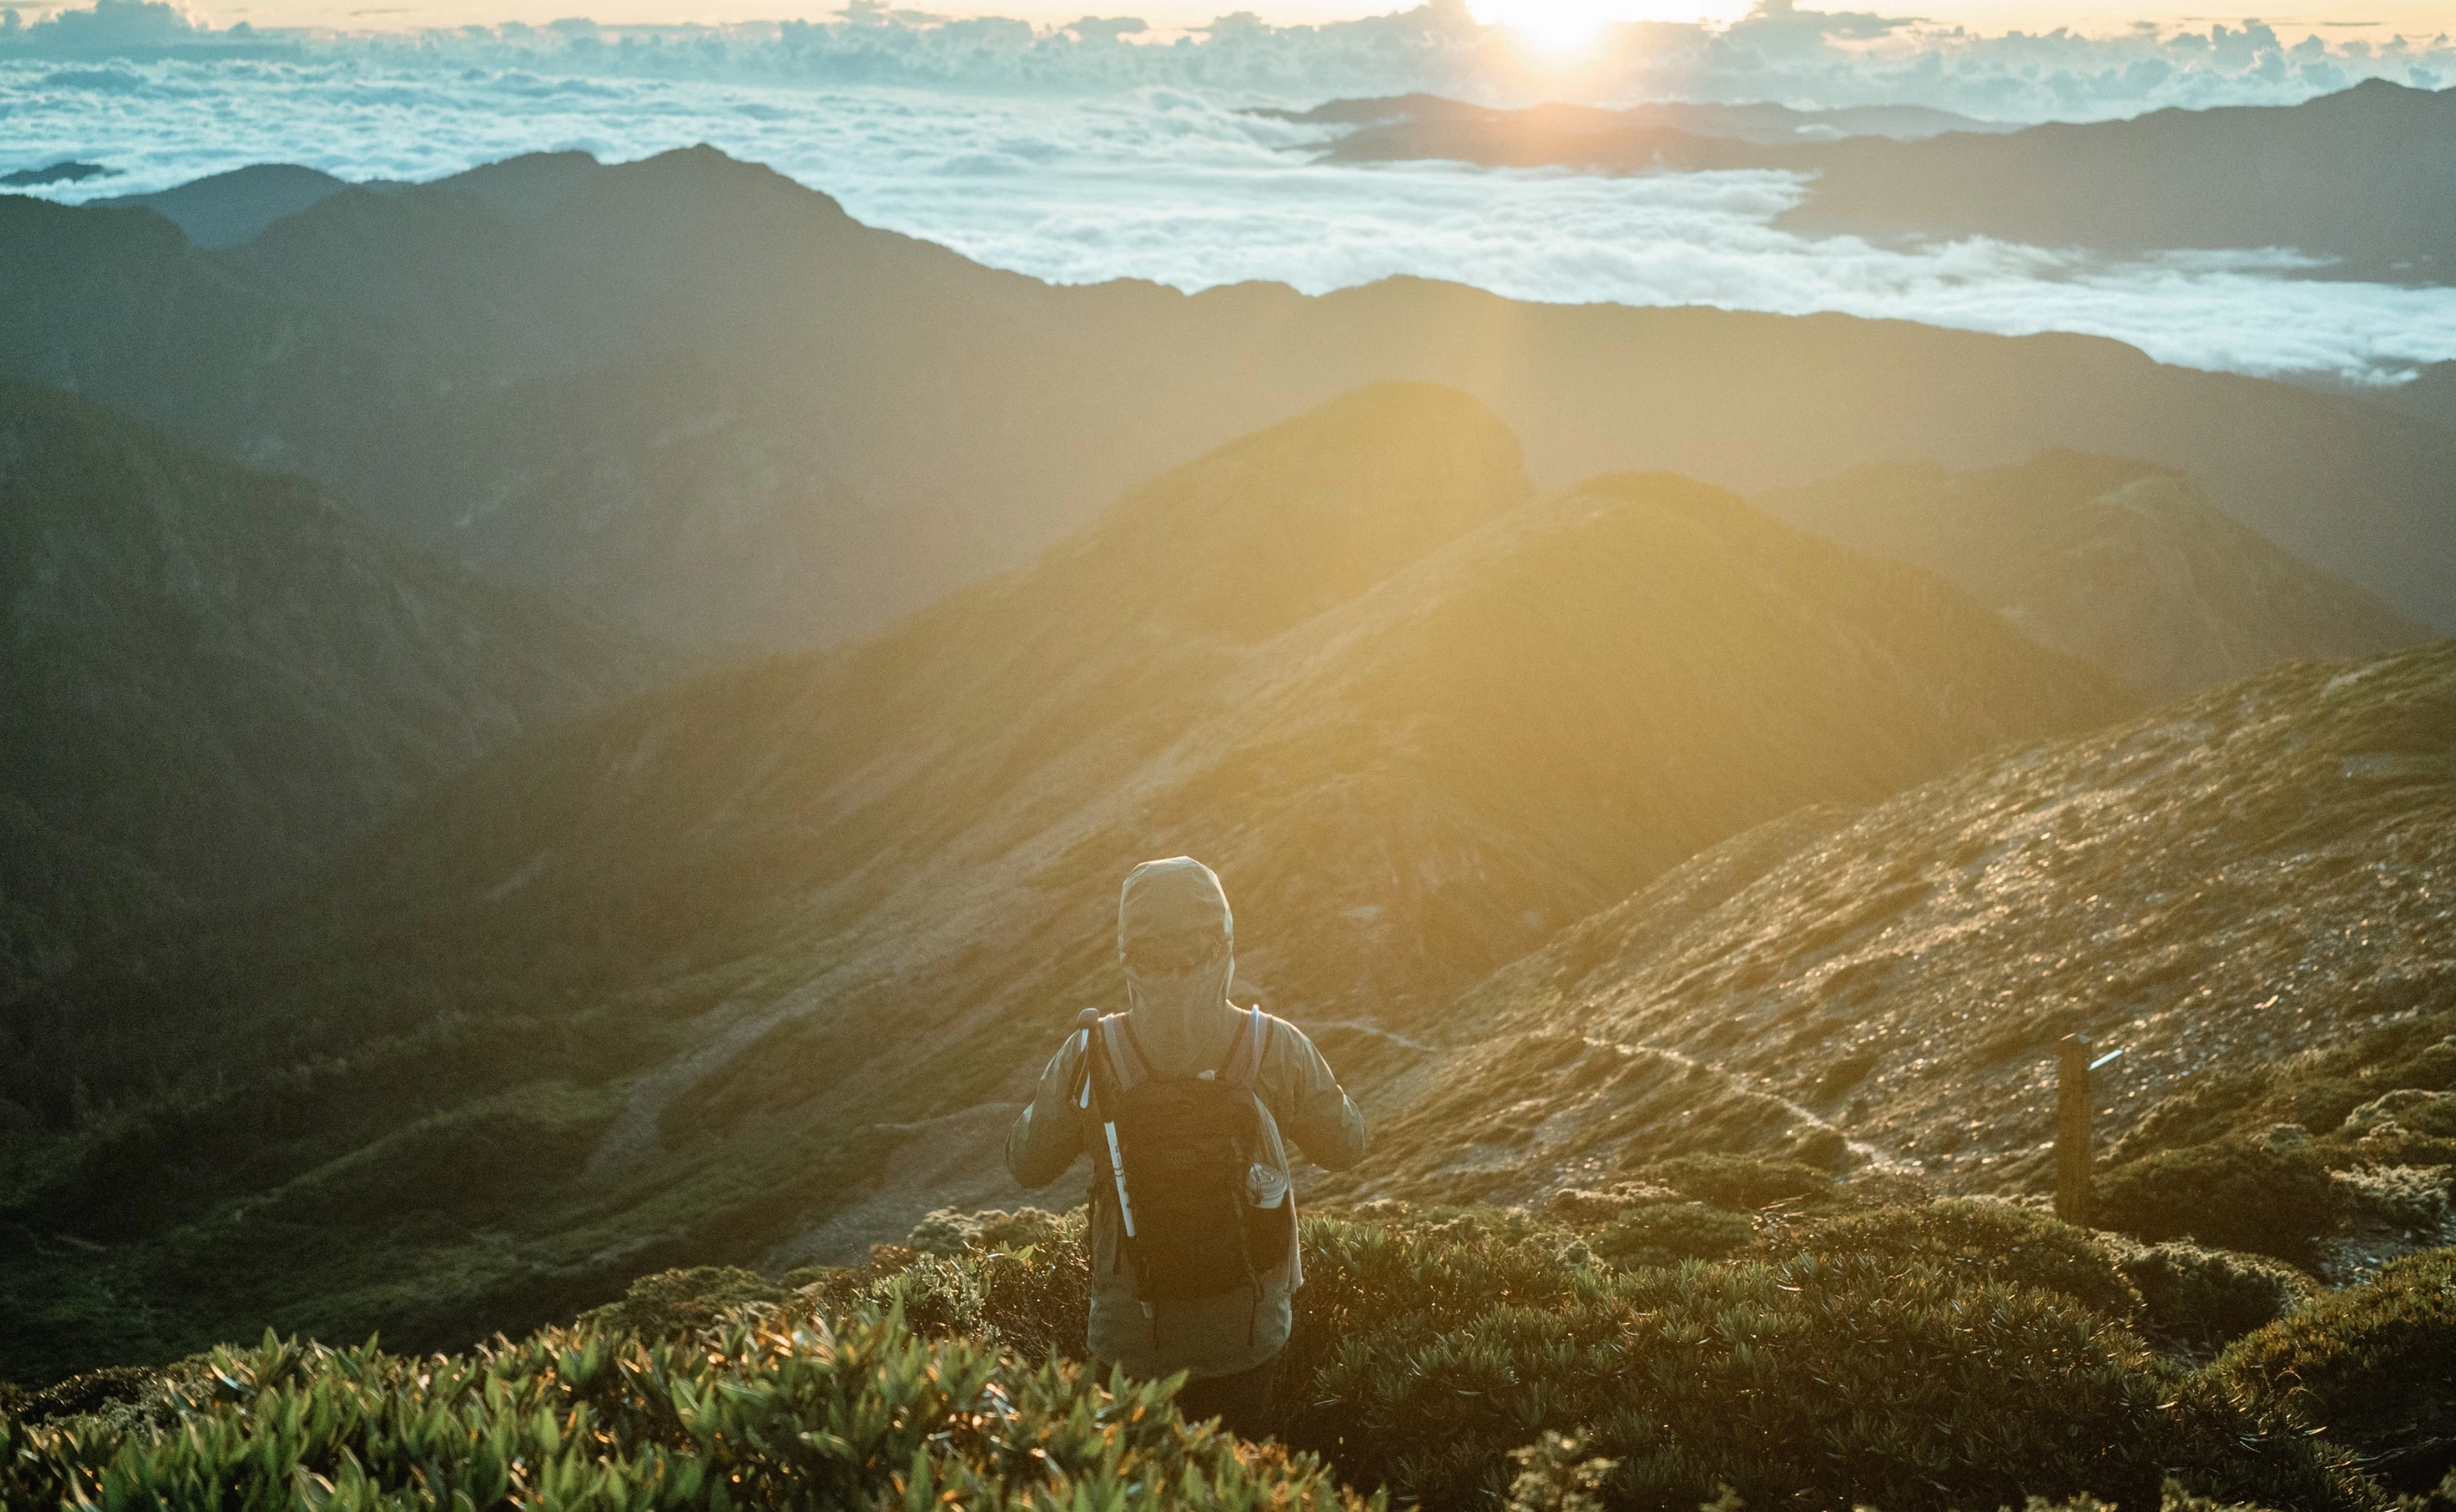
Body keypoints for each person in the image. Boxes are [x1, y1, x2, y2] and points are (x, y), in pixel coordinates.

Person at [1005, 856, 1367, 1440]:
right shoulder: (1275, 1044)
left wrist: (1062, 1090)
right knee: (1236, 1481)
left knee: (1137, 1485)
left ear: (1126, 951)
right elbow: (1347, 1146)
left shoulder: (1090, 1052)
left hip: (1131, 1336)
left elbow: (1027, 1164)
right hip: (1248, 1331)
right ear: (1224, 942)